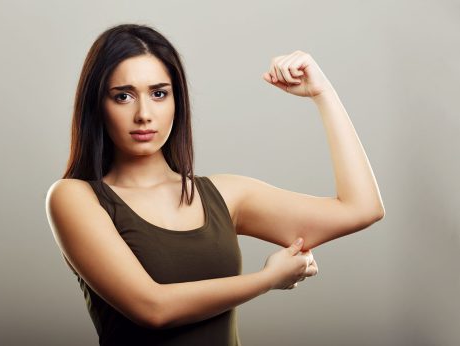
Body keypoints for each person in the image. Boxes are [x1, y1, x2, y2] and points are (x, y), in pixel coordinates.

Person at [45, 23, 384, 346]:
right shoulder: (74, 198)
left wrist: (323, 93)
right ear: (97, 106)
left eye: (159, 93)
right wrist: (267, 279)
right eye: (123, 96)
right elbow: (153, 309)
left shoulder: (224, 195)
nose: (144, 113)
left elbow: (361, 208)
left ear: (177, 102)